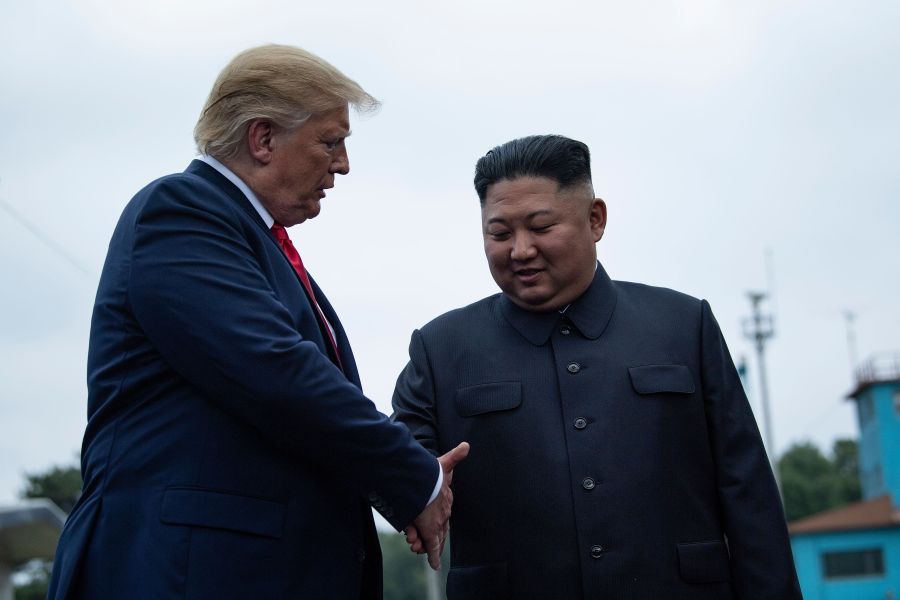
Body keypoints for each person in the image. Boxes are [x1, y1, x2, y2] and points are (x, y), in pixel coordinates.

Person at [47, 44, 467, 600]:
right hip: (183, 574)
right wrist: (415, 477)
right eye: (330, 141)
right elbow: (278, 372)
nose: (341, 164)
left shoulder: (246, 238)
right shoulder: (179, 212)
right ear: (263, 138)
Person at [392, 135, 801, 599]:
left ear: (595, 219)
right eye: (500, 233)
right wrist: (416, 486)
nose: (521, 250)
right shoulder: (442, 348)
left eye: (541, 227)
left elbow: (748, 495)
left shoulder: (683, 326)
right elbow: (396, 461)